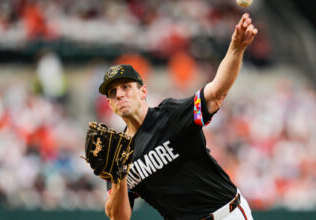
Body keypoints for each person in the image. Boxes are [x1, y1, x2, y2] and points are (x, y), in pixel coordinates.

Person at [98, 13, 258, 220]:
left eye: (126, 87)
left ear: (143, 92)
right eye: (112, 92)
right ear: (110, 103)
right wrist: (118, 178)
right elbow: (118, 217)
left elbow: (216, 93)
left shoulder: (170, 115)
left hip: (225, 215)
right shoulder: (117, 155)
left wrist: (236, 49)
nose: (119, 94)